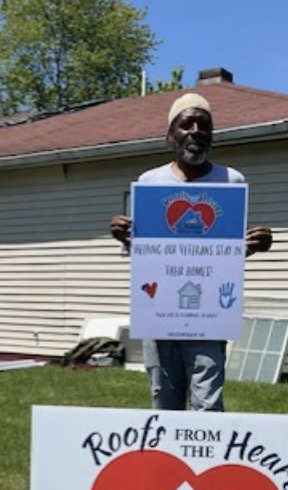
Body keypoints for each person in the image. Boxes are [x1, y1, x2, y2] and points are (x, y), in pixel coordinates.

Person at [111, 92, 272, 411]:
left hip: (209, 316)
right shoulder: (150, 182)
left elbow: (225, 255)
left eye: (204, 124)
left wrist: (255, 245)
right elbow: (149, 254)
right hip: (159, 315)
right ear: (171, 136)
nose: (196, 130)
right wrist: (126, 238)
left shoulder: (231, 181)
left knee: (208, 403)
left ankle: (205, 461)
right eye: (187, 124)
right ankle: (167, 461)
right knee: (164, 401)